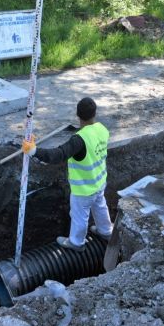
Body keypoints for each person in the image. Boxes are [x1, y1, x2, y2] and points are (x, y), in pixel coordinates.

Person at [22, 97, 113, 252]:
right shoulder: (102, 129)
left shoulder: (79, 140)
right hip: (99, 182)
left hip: (84, 189)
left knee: (79, 216)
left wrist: (33, 151)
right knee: (100, 206)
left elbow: (58, 155)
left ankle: (77, 243)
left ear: (77, 115)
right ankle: (106, 231)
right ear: (95, 113)